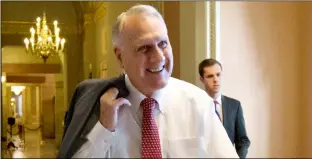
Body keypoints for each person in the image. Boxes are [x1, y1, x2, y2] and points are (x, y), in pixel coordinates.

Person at [58, 5, 238, 158]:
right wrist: (104, 128)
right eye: (144, 48)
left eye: (163, 44)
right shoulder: (99, 107)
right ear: (120, 56)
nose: (158, 58)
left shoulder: (198, 104)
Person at [198, 58, 251, 158]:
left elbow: (242, 140)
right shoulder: (196, 106)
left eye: (218, 75)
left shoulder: (235, 106)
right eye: (210, 76)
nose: (215, 80)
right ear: (202, 79)